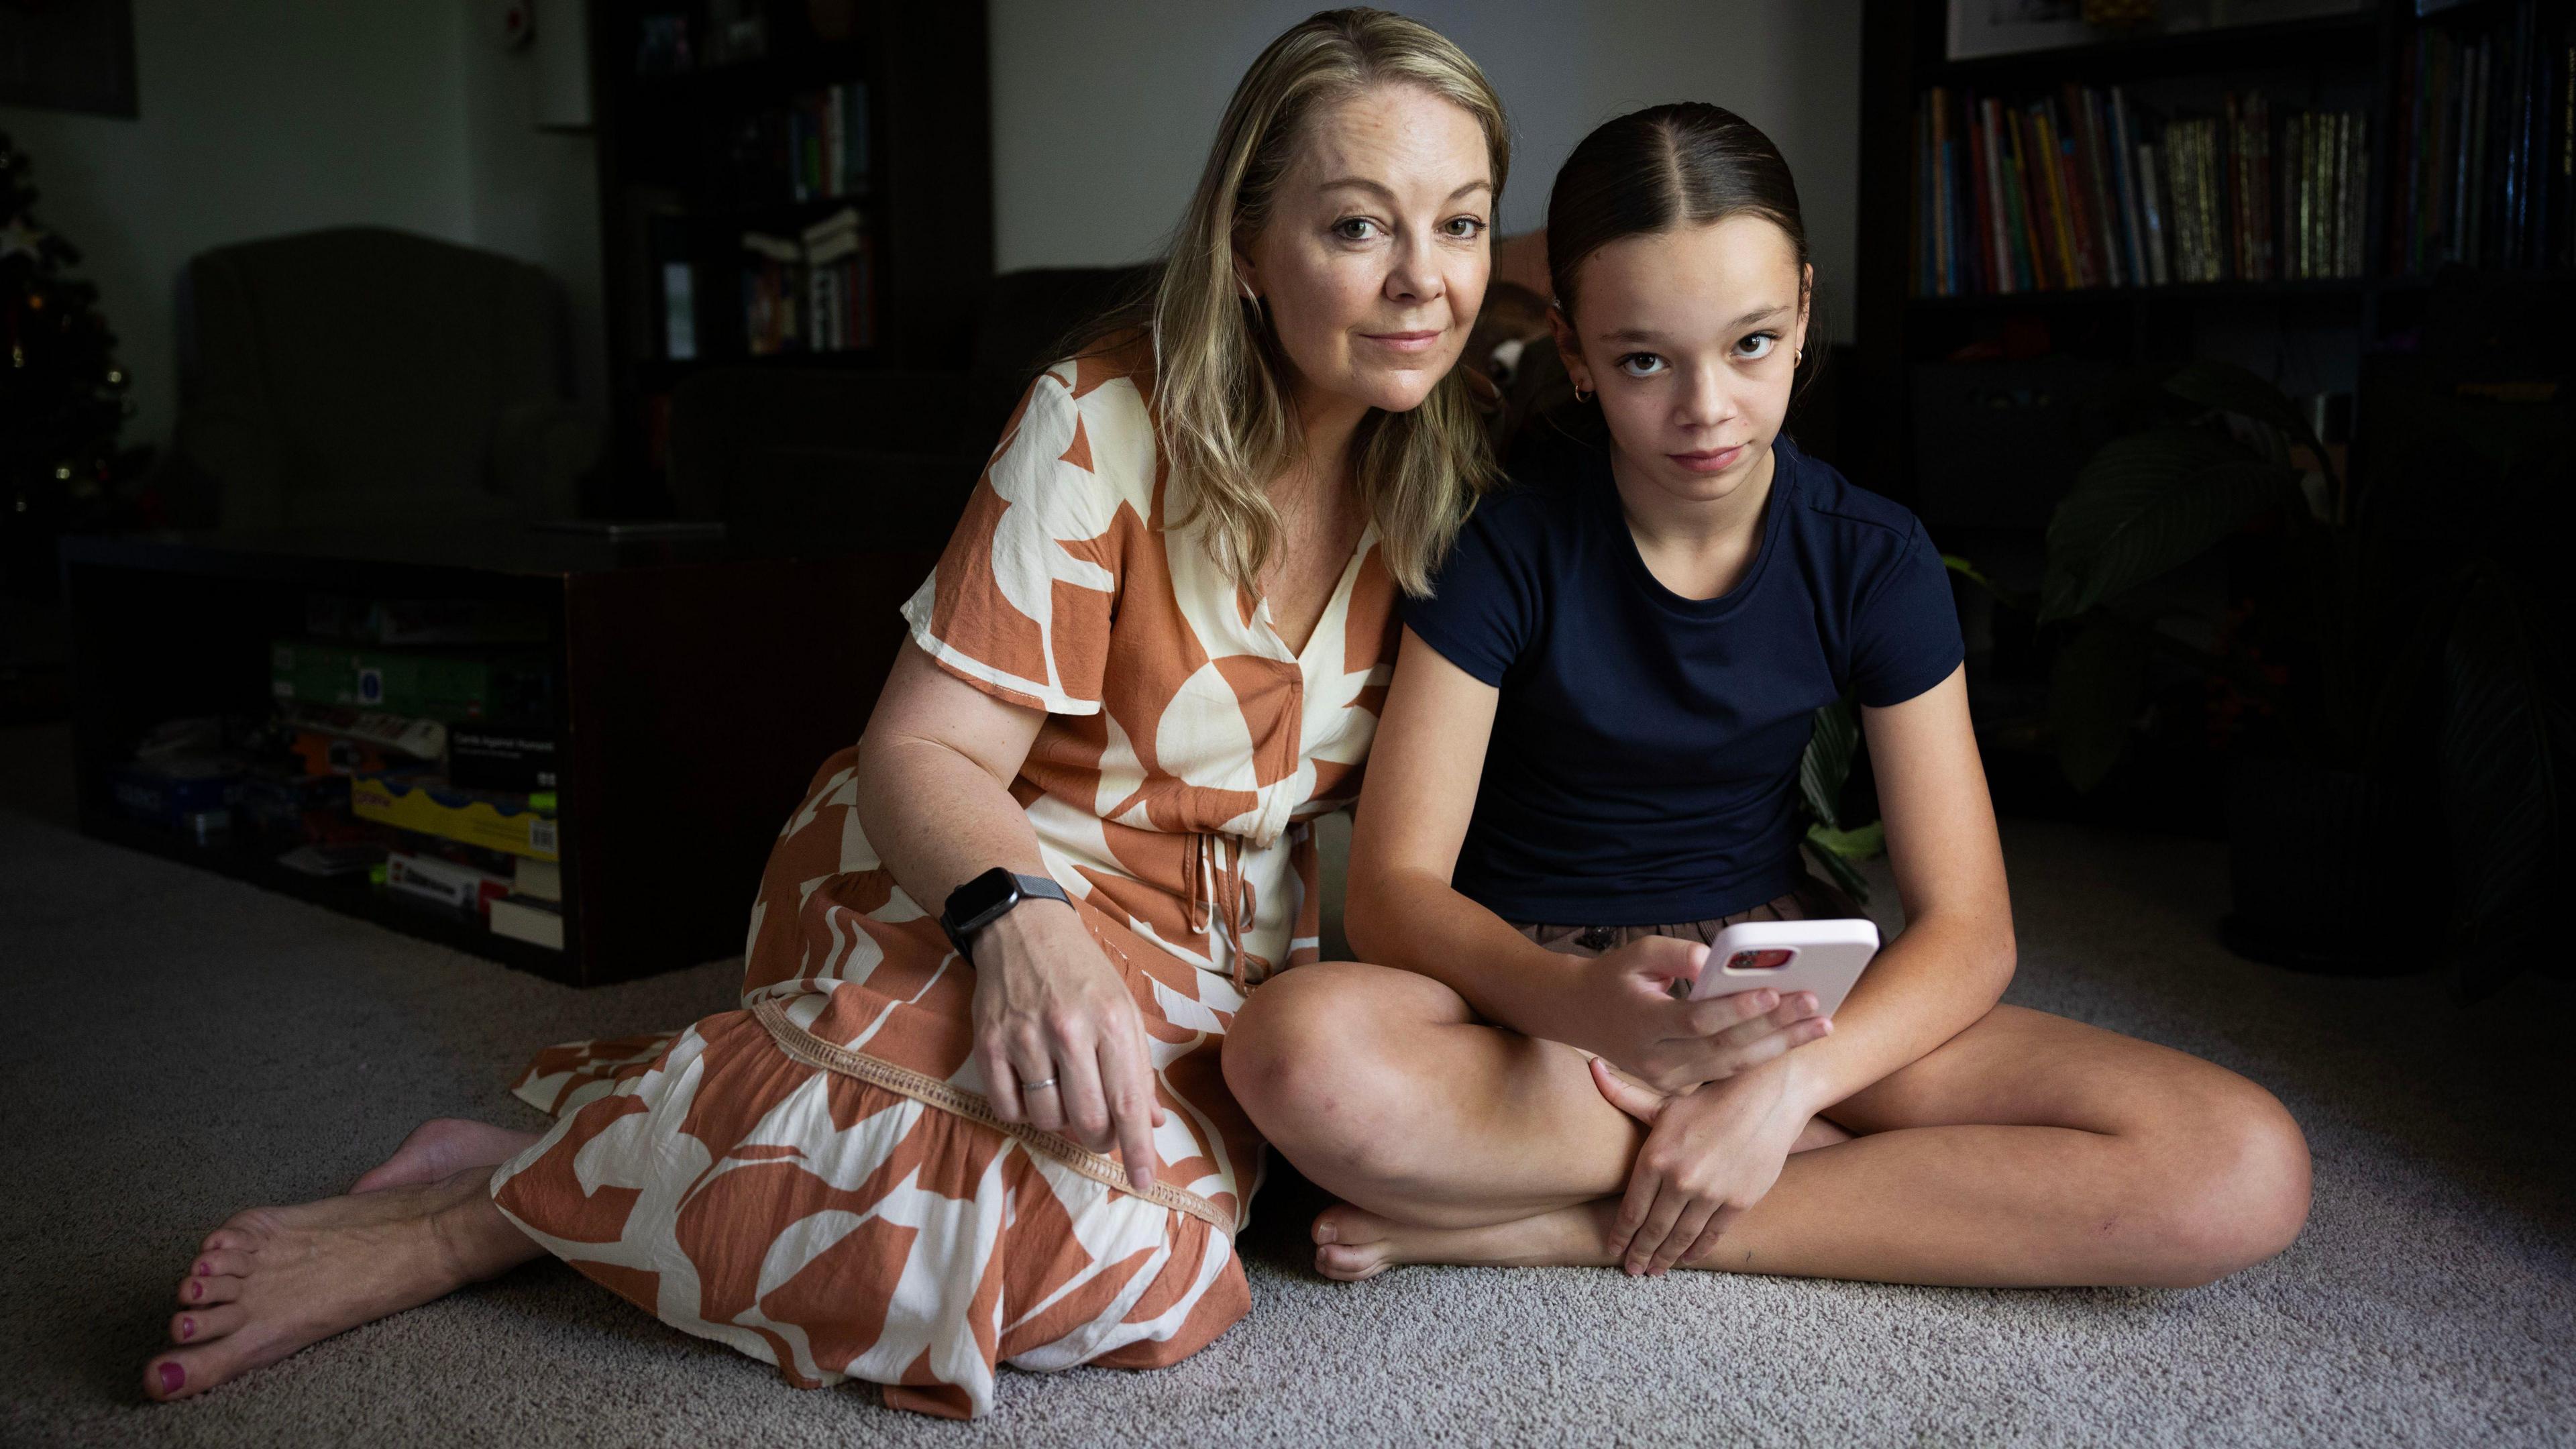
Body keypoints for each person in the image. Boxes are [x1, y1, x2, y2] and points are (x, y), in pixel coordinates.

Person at [144, 9, 1507, 1419]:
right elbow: (920, 751)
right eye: (1358, 229)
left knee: (1143, 1268)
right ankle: (476, 1221)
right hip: (968, 866)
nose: (1423, 282)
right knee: (1068, 1225)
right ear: (1243, 245)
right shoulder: (1102, 419)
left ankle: (558, 1158)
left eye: (1461, 226)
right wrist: (1024, 933)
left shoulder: (1465, 465)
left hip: (1212, 954)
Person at [1223, 103, 2313, 1287]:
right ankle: (1816, 1179)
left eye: (1748, 343)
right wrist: (1586, 1007)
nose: (1706, 409)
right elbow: (1390, 895)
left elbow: (1969, 926)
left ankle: (1569, 1222)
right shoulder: (1506, 543)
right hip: (1539, 1008)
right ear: (1578, 357)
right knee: (1299, 1056)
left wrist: (1786, 1090)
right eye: (1644, 359)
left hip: (1785, 1000)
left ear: (1802, 313)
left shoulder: (1872, 557)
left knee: (2242, 1163)